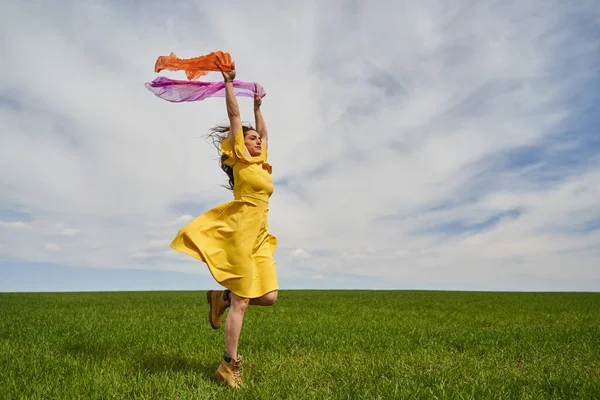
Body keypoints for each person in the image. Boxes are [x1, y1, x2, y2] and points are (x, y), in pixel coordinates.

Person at [170, 61, 278, 389]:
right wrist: (230, 85)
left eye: (259, 139)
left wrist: (259, 106)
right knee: (245, 299)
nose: (258, 141)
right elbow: (234, 117)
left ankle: (222, 298)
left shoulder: (260, 162)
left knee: (270, 296)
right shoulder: (239, 156)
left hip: (260, 236)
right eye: (252, 138)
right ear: (240, 143)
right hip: (240, 233)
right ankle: (229, 365)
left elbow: (265, 133)